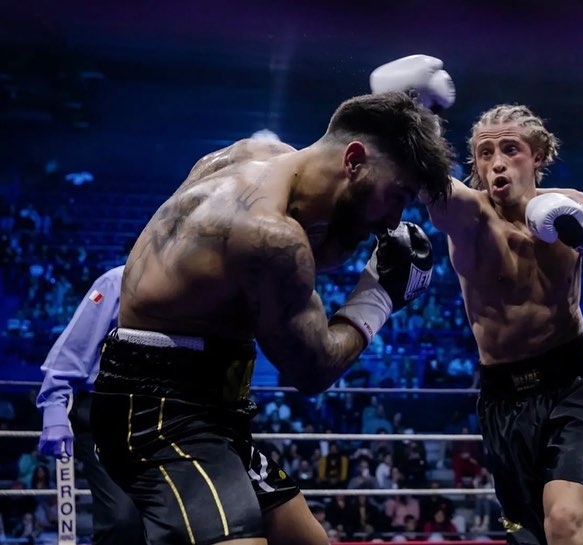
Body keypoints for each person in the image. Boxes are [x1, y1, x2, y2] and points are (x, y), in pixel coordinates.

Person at [89, 92, 454, 545]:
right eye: (397, 195)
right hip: (158, 414)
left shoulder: (257, 157)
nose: (395, 218)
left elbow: (285, 267)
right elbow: (313, 368)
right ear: (354, 159)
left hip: (209, 405)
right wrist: (379, 296)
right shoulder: (267, 234)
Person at [371, 55, 583, 545]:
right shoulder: (467, 215)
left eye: (510, 149)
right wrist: (413, 111)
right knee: (530, 537)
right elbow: (422, 177)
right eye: (485, 153)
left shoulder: (576, 207)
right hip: (502, 397)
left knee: (567, 521)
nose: (496, 162)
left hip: (575, 384)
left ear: (538, 156)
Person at [35, 265, 144, 545]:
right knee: (123, 521)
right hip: (106, 414)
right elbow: (73, 349)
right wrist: (54, 409)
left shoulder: (203, 288)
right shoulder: (116, 281)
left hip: (172, 415)